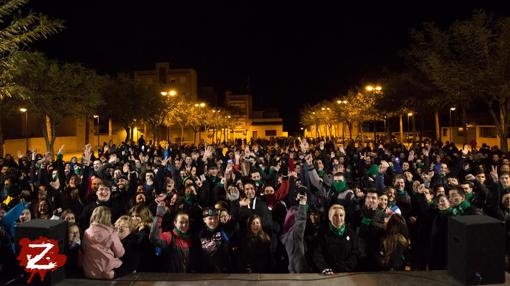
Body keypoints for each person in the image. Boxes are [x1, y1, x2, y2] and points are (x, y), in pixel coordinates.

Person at [313, 204, 359, 275]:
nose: (338, 218)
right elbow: (317, 254)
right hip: (328, 273)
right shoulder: (322, 233)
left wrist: (346, 267)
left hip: (347, 273)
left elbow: (355, 253)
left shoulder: (351, 233)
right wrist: (324, 268)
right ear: (329, 217)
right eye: (335, 215)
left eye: (341, 215)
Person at [81, 206, 124, 279]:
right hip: (107, 270)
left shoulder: (86, 232)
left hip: (89, 271)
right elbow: (120, 253)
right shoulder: (111, 232)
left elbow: (84, 248)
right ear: (108, 217)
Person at [149, 201, 193, 273]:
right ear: (175, 223)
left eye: (186, 222)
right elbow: (154, 238)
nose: (184, 225)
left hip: (187, 277)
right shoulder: (169, 235)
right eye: (181, 222)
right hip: (171, 277)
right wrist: (159, 216)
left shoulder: (191, 237)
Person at [280, 193, 308, 273]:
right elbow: (301, 221)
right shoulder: (294, 234)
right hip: (300, 276)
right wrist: (302, 204)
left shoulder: (288, 235)